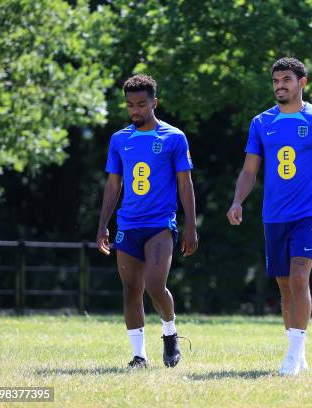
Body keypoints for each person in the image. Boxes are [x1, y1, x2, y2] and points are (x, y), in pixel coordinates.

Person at [227, 57, 312, 375]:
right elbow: (249, 169)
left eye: (286, 79)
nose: (280, 85)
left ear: (302, 82)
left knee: (299, 278)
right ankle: (296, 351)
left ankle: (292, 357)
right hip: (273, 216)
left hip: (308, 212)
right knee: (284, 285)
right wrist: (237, 201)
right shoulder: (261, 122)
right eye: (275, 81)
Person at [96, 74, 198, 368]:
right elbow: (113, 185)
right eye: (130, 105)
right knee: (131, 290)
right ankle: (139, 356)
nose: (136, 110)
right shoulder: (119, 139)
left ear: (155, 102)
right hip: (127, 225)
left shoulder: (174, 137)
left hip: (160, 224)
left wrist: (190, 225)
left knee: (155, 285)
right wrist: (103, 224)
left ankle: (170, 332)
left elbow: (185, 184)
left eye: (142, 104)